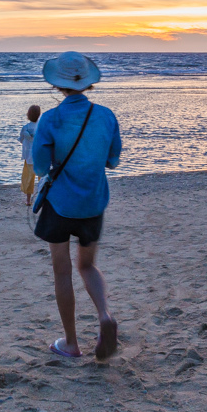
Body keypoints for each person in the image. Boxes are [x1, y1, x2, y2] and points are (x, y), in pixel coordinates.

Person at [31, 51, 122, 360]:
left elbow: (41, 168)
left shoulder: (51, 119)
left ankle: (71, 343)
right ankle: (105, 316)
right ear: (87, 83)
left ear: (58, 85)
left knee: (63, 272)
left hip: (59, 205)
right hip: (93, 203)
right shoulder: (106, 116)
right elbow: (112, 160)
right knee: (87, 265)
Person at [19, 105, 42, 206]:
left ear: (28, 115)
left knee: (29, 178)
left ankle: (28, 200)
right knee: (42, 178)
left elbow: (21, 140)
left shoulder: (25, 128)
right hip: (41, 156)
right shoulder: (41, 126)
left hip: (29, 157)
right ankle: (43, 198)